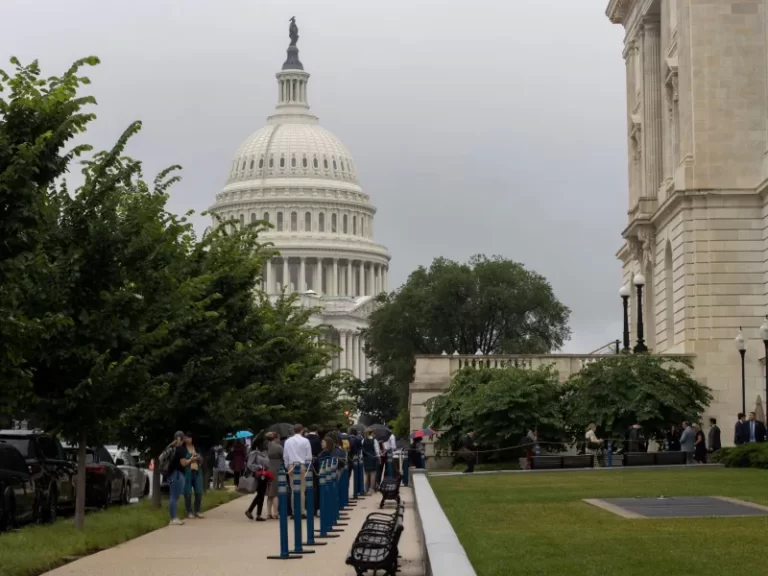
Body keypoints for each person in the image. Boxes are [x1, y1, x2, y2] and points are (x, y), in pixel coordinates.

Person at [283, 423, 312, 519]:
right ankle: (302, 511)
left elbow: (285, 455)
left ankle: (294, 512)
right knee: (302, 490)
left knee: (293, 489)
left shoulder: (288, 441)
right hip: (302, 465)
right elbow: (308, 456)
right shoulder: (305, 441)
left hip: (291, 465)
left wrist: (287, 465)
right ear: (302, 430)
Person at [166, 430, 192, 526]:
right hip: (177, 474)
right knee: (174, 497)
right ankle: (173, 518)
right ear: (181, 438)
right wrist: (191, 460)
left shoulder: (171, 448)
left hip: (170, 474)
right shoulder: (181, 449)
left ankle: (173, 517)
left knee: (173, 496)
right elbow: (183, 463)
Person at [245, 441, 271, 521]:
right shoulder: (254, 453)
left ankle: (258, 514)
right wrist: (258, 466)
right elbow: (249, 464)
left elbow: (267, 464)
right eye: (263, 444)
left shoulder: (265, 453)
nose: (265, 446)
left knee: (261, 494)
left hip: (264, 475)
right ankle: (250, 510)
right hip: (257, 475)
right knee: (260, 494)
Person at [182, 432, 205, 520]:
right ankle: (189, 512)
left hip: (197, 472)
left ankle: (197, 511)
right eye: (187, 437)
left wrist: (198, 458)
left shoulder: (197, 448)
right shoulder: (183, 449)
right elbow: (183, 462)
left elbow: (201, 461)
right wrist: (192, 459)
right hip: (188, 472)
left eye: (190, 437)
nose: (189, 439)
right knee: (187, 493)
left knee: (199, 492)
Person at [266, 432, 283, 519]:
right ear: (275, 438)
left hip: (268, 468)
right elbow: (283, 456)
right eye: (278, 438)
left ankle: (268, 513)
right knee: (276, 493)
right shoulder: (279, 447)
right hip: (276, 469)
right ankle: (275, 513)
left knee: (269, 493)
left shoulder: (266, 447)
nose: (279, 440)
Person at [307, 425, 322, 516]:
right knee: (315, 485)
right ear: (316, 430)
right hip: (315, 464)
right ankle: (315, 507)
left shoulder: (305, 439)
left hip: (306, 463)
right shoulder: (318, 440)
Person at [362, 429, 380, 494]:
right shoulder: (374, 441)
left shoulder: (363, 440)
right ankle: (371, 489)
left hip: (365, 458)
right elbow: (377, 450)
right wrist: (379, 458)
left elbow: (362, 450)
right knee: (372, 474)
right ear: (371, 433)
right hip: (372, 457)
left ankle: (364, 488)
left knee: (366, 474)